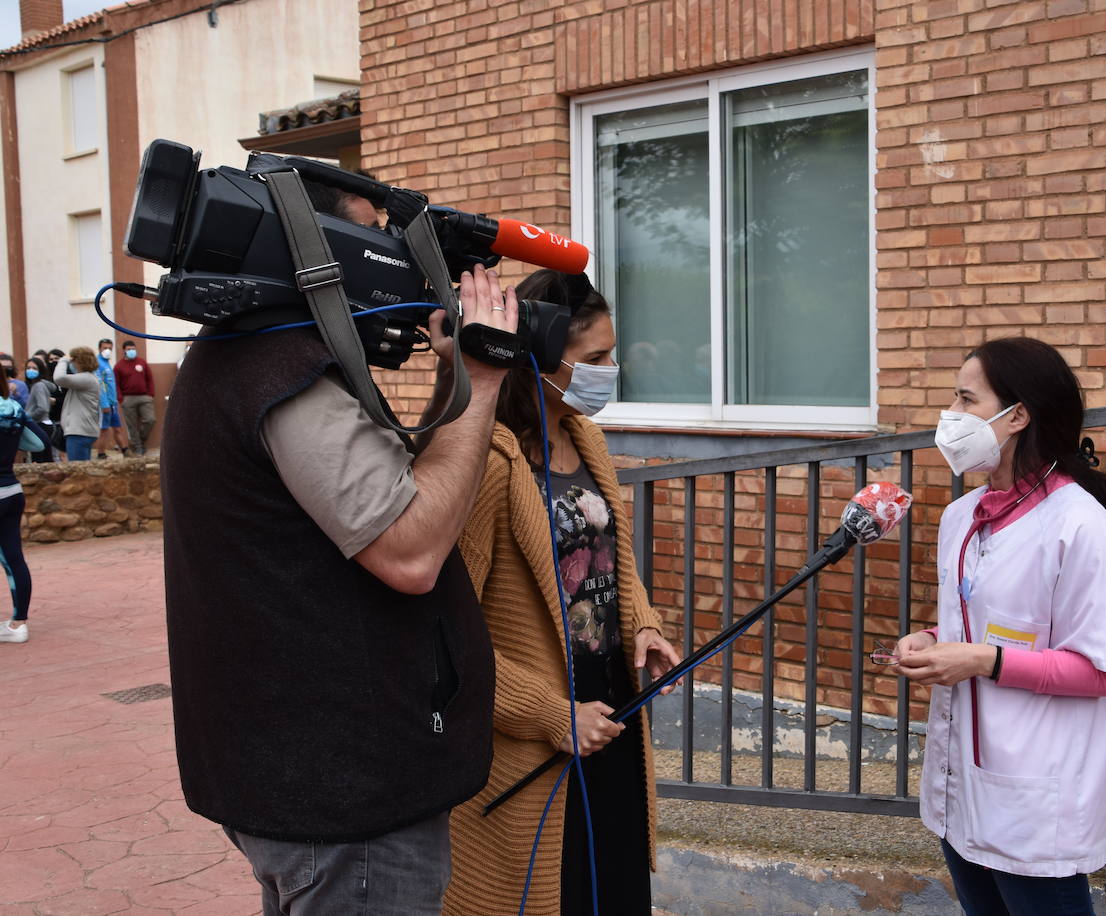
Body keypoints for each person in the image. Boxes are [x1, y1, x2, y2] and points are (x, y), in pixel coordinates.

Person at [161, 178, 516, 915]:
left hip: (299, 773)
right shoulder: (283, 373)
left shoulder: (245, 356)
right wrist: (482, 382)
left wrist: (456, 373)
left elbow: (397, 488)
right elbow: (410, 551)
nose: (386, 259)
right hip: (348, 798)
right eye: (372, 237)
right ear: (318, 252)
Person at [443, 270, 682, 916]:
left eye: (614, 353)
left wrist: (646, 628)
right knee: (559, 894)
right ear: (541, 359)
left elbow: (613, 561)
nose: (613, 370)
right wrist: (550, 714)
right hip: (533, 739)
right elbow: (446, 635)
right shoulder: (489, 462)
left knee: (619, 888)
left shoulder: (586, 437)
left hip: (611, 719)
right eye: (596, 359)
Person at [886, 337, 1106, 915]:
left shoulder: (1082, 528)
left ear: (1017, 415)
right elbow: (983, 619)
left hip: (1034, 800)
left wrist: (979, 660)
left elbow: (1104, 672)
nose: (950, 416)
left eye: (965, 399)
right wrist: (930, 641)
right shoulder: (961, 517)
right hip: (962, 786)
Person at [0, 397, 49, 644]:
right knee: (14, 559)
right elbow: (39, 442)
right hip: (11, 491)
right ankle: (18, 623)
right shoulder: (13, 408)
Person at [53, 348, 101, 461]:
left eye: (73, 360)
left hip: (79, 432)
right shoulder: (88, 378)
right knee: (82, 471)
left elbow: (59, 378)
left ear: (79, 362)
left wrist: (63, 361)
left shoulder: (86, 378)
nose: (71, 363)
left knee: (78, 472)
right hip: (82, 431)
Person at [113, 340, 156, 455]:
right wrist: (120, 398)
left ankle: (141, 441)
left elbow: (149, 379)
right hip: (128, 398)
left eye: (133, 349)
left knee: (150, 419)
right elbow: (115, 383)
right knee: (132, 425)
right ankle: (138, 448)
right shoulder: (118, 366)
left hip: (144, 397)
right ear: (124, 351)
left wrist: (150, 394)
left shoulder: (142, 362)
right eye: (129, 349)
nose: (131, 351)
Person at [95, 339, 130, 458]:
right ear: (99, 349)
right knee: (104, 429)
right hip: (106, 404)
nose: (108, 351)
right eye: (105, 348)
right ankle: (101, 453)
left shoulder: (107, 363)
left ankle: (125, 451)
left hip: (113, 403)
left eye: (110, 348)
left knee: (117, 428)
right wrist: (104, 404)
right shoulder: (98, 364)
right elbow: (100, 385)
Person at [23, 358, 57, 463]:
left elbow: (42, 408)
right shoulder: (37, 385)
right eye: (28, 368)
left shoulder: (38, 386)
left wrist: (28, 417)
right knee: (46, 459)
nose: (30, 370)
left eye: (34, 368)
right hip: (43, 424)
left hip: (40, 424)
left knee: (39, 460)